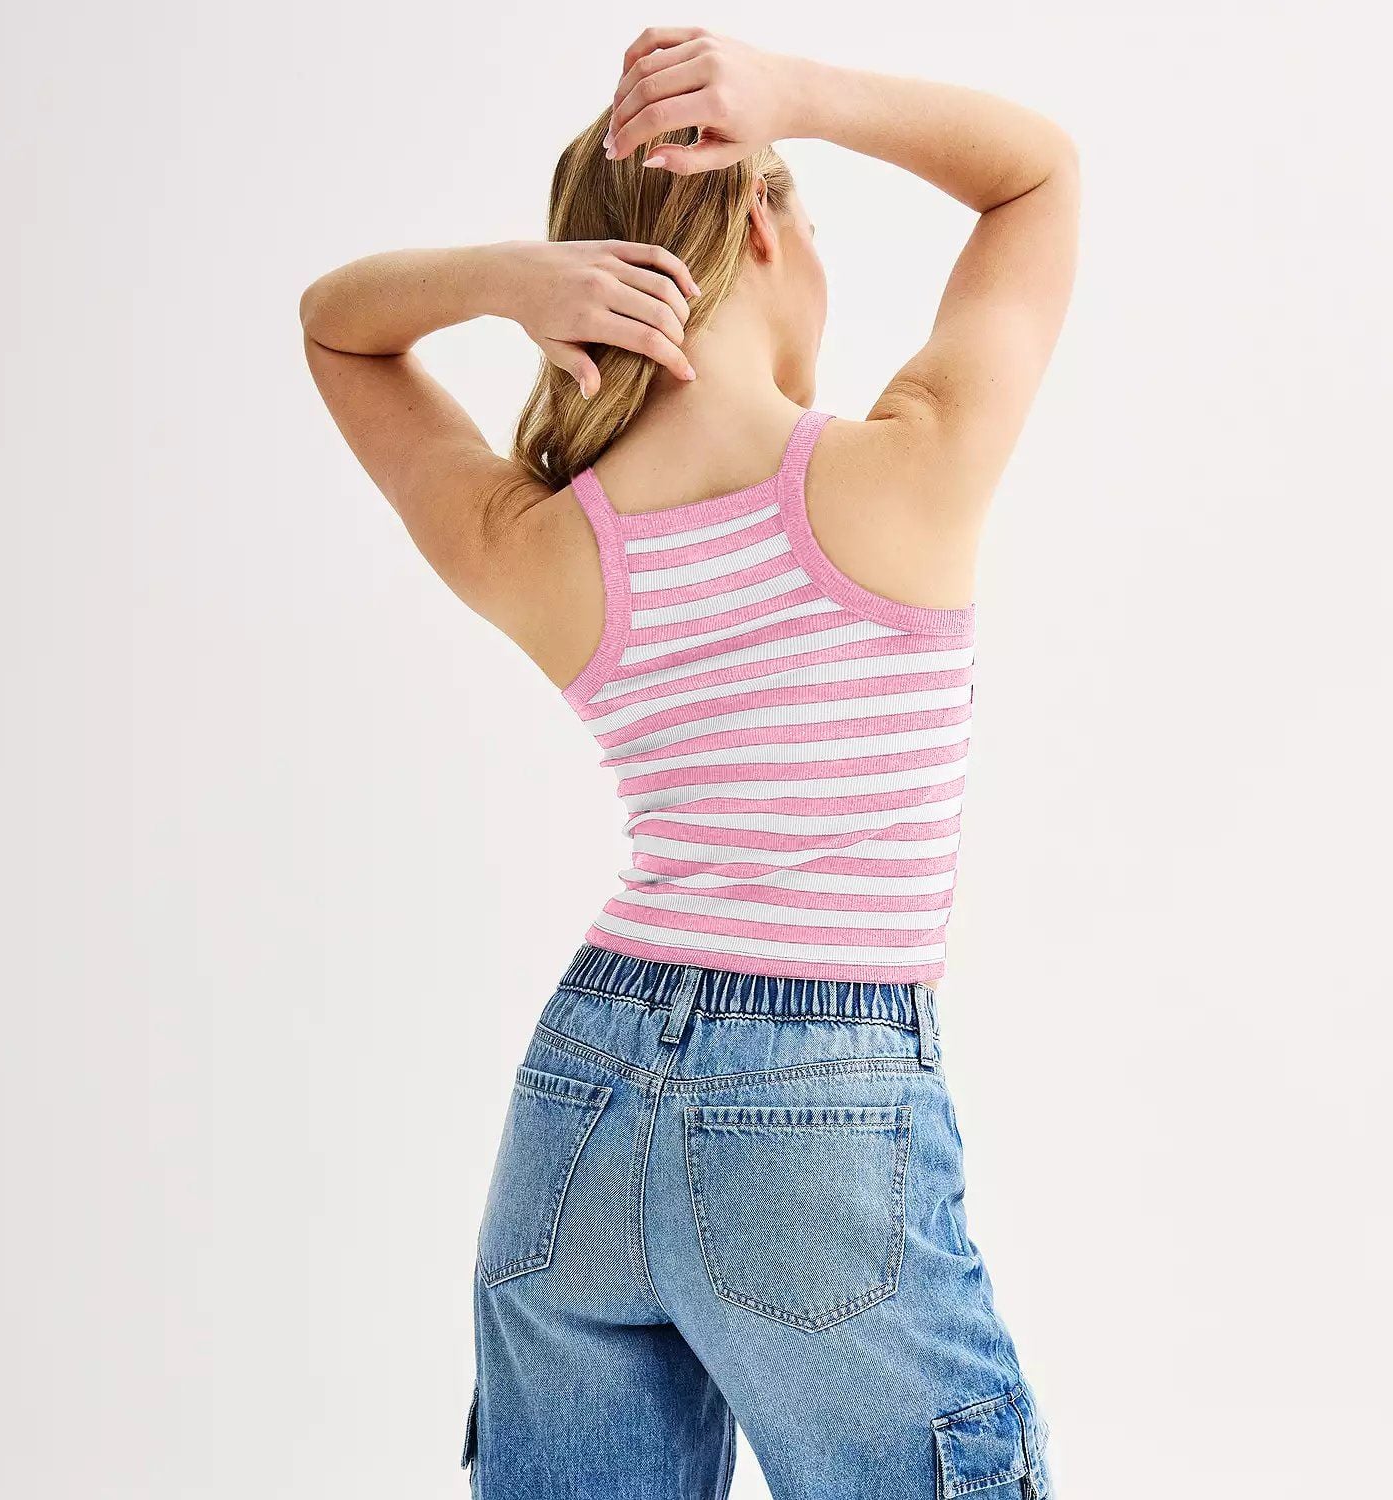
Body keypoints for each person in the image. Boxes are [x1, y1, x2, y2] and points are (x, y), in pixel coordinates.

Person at [300, 26, 1078, 1500]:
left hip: (581, 1099)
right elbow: (1037, 175)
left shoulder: (545, 547)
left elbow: (337, 327)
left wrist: (504, 283)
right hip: (817, 1106)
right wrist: (803, 95)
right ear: (769, 230)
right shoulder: (899, 472)